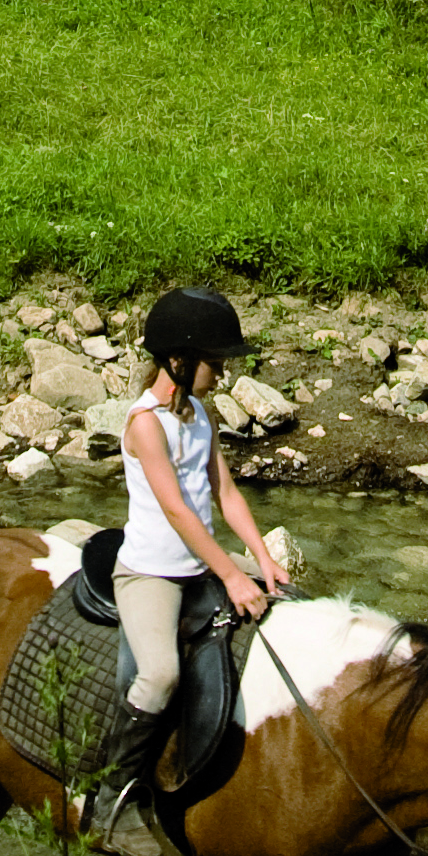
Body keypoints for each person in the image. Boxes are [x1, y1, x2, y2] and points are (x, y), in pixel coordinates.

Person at [103, 285, 291, 823]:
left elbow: (224, 493)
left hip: (199, 563)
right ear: (178, 360)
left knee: (290, 600)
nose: (223, 374)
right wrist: (232, 575)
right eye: (214, 363)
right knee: (160, 673)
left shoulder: (199, 415)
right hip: (150, 573)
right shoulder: (145, 423)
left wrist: (262, 556)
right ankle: (110, 802)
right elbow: (180, 512)